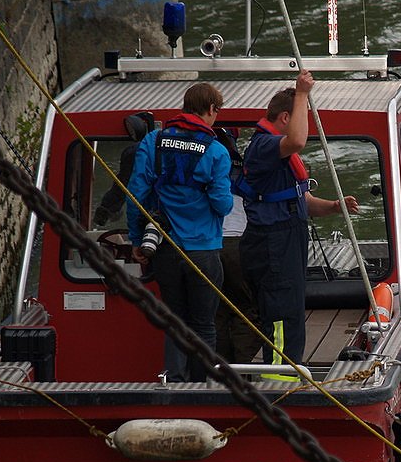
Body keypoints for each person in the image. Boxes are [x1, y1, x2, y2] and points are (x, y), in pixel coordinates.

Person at [237, 71, 361, 376]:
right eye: (298, 116)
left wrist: (334, 206)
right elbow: (297, 140)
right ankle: (279, 375)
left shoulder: (276, 156)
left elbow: (295, 199)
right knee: (279, 313)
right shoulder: (266, 146)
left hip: (286, 237)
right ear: (284, 118)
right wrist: (302, 93)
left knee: (291, 309)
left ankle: (289, 367)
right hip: (272, 242)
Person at [126, 83, 233, 382]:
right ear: (211, 109)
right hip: (203, 251)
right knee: (204, 324)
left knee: (175, 321)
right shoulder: (216, 151)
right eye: (217, 112)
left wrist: (137, 239)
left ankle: (173, 382)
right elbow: (223, 205)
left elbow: (135, 193)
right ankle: (201, 389)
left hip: (165, 249)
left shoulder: (153, 140)